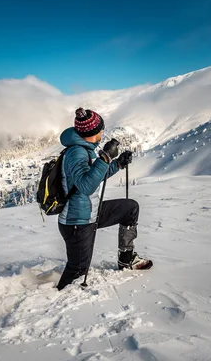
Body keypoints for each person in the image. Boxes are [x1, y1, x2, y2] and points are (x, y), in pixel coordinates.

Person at [56, 108, 152, 291]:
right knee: (77, 271)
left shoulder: (85, 150)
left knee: (130, 208)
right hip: (77, 223)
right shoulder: (76, 153)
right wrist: (105, 158)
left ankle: (126, 259)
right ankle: (54, 301)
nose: (102, 132)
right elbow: (86, 186)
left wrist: (117, 163)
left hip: (91, 212)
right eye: (101, 129)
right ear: (93, 132)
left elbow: (94, 175)